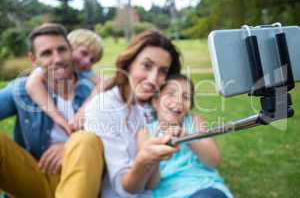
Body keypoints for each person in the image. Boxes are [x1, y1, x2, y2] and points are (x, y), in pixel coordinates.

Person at [0, 23, 104, 198]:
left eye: (62, 50)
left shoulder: (93, 90)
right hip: (35, 176)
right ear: (34, 60)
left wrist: (70, 148)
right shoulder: (22, 89)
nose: (57, 59)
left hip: (81, 180)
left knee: (85, 140)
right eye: (47, 53)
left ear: (70, 50)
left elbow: (116, 140)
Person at [84, 30, 182, 197]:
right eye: (146, 65)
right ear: (129, 64)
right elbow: (124, 189)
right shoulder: (103, 107)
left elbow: (153, 183)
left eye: (163, 71)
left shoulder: (153, 108)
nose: (153, 79)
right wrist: (144, 159)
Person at [137, 74, 233, 198]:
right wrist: (156, 155)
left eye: (186, 97)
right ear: (155, 101)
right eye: (171, 94)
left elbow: (213, 161)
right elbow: (151, 185)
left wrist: (188, 138)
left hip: (203, 187)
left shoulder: (193, 121)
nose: (178, 101)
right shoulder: (146, 133)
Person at [25, 28, 105, 134]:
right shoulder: (46, 70)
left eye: (92, 60)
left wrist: (83, 110)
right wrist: (57, 117)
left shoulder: (84, 74)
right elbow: (31, 84)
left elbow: (104, 83)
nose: (86, 61)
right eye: (83, 53)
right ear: (69, 47)